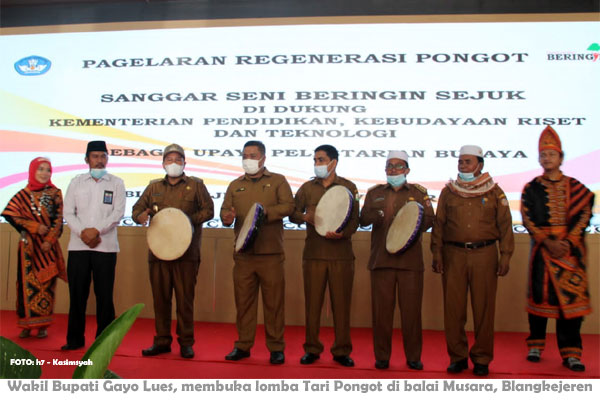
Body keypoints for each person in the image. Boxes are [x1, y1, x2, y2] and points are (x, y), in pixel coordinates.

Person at [431, 145, 514, 376]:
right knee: (453, 310)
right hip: (453, 255)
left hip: (485, 255)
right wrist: (436, 253)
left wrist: (505, 255)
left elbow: (506, 226)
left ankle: (482, 359)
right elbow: (439, 225)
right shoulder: (449, 192)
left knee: (484, 309)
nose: (462, 166)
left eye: (467, 162)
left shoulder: (494, 192)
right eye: (460, 162)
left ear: (480, 165)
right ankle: (457, 357)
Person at [520, 126, 594, 372]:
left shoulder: (576, 187)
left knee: (569, 306)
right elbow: (527, 217)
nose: (547, 159)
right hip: (542, 251)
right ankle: (535, 346)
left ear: (561, 158)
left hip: (570, 253)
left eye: (551, 155)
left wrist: (569, 241)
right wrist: (547, 241)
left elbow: (585, 213)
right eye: (543, 155)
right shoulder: (531, 188)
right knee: (539, 299)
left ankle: (571, 353)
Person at [133, 143, 214, 359]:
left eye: (178, 160)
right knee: (161, 299)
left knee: (185, 299)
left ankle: (186, 342)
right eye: (170, 160)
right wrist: (140, 216)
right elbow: (137, 210)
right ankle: (161, 340)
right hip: (158, 253)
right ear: (163, 164)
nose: (174, 164)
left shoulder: (196, 186)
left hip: (187, 253)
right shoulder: (153, 187)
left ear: (185, 163)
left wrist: (187, 221)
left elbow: (209, 210)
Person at [359, 150, 434, 370]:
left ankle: (413, 357)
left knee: (411, 313)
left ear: (407, 170)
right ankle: (382, 357)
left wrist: (409, 225)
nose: (393, 170)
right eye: (389, 166)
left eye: (398, 166)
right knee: (381, 314)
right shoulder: (374, 194)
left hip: (409, 263)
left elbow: (430, 220)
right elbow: (362, 219)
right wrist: (376, 216)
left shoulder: (419, 193)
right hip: (381, 261)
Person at [220, 140, 294, 365]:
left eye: (253, 155)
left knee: (274, 304)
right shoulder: (235, 185)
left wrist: (262, 214)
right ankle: (243, 345)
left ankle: (276, 347)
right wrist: (227, 218)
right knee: (243, 303)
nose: (248, 160)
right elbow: (224, 212)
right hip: (243, 256)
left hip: (270, 254)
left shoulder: (278, 181)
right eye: (245, 155)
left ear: (263, 158)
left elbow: (289, 207)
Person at [290, 144, 359, 367]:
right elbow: (292, 213)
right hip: (314, 254)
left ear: (333, 162)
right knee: (312, 305)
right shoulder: (307, 188)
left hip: (341, 255)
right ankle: (311, 348)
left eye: (321, 160)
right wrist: (304, 218)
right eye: (315, 160)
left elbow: (355, 220)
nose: (317, 164)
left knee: (342, 305)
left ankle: (341, 350)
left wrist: (343, 233)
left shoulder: (349, 187)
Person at [61, 140, 126, 350]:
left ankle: (103, 343)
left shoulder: (116, 183)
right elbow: (68, 212)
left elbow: (118, 213)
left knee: (105, 296)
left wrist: (96, 231)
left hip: (105, 247)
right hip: (78, 247)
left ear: (107, 159)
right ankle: (74, 340)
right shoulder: (76, 182)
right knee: (77, 295)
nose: (99, 160)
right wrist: (83, 232)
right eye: (95, 156)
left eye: (103, 156)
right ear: (86, 159)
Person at [2, 157, 67, 339]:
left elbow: (58, 221)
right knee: (25, 286)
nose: (44, 173)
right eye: (41, 169)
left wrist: (49, 240)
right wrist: (34, 227)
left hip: (47, 248)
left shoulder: (55, 193)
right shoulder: (23, 194)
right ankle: (26, 325)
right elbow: (10, 214)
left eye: (48, 170)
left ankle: (43, 325)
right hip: (28, 248)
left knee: (46, 286)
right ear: (32, 171)